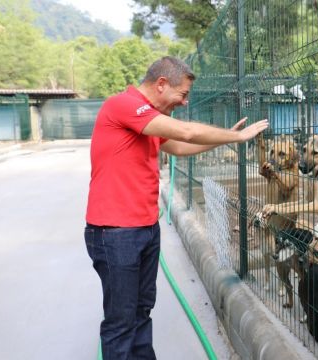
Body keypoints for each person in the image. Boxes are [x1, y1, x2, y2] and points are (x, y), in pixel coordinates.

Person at [84, 56, 268, 359]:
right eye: (182, 94)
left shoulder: (147, 121)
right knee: (121, 322)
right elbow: (186, 133)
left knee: (142, 311)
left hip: (144, 230)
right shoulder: (124, 105)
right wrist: (237, 135)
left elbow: (181, 147)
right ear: (161, 84)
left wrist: (225, 141)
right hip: (116, 234)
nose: (184, 103)